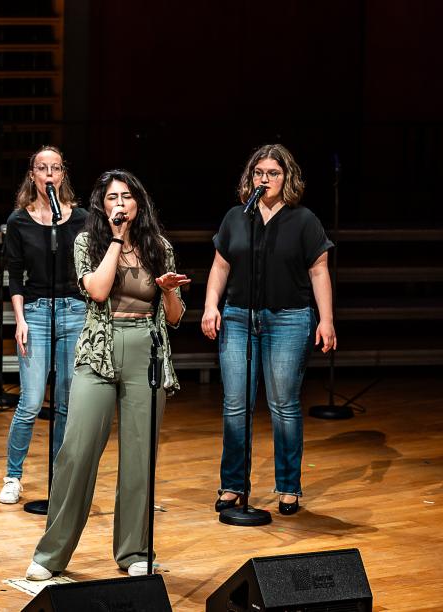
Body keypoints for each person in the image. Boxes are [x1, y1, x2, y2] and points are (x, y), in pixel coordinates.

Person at [26, 169, 189, 580]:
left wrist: (168, 289)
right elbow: (98, 290)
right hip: (100, 350)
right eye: (113, 197)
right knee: (76, 453)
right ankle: (50, 555)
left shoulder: (159, 247)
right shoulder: (88, 241)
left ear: (139, 204)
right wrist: (116, 241)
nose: (121, 203)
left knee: (140, 458)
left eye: (128, 197)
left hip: (145, 352)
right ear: (102, 205)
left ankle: (134, 551)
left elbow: (174, 318)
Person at [201, 144, 336, 516]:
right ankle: (233, 485)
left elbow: (319, 271)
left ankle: (289, 486)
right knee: (235, 406)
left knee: (283, 405)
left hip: (288, 318)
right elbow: (220, 267)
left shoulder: (304, 220)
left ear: (286, 177)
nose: (265, 179)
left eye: (273, 173)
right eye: (259, 173)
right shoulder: (236, 217)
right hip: (239, 318)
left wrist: (326, 319)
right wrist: (211, 305)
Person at [0, 146, 88, 505]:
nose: (48, 173)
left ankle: (60, 477)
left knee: (66, 402)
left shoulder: (80, 218)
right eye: (41, 168)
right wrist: (19, 320)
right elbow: (15, 275)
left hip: (73, 311)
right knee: (31, 401)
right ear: (32, 175)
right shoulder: (19, 221)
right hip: (34, 311)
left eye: (55, 168)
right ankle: (13, 475)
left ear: (62, 174)